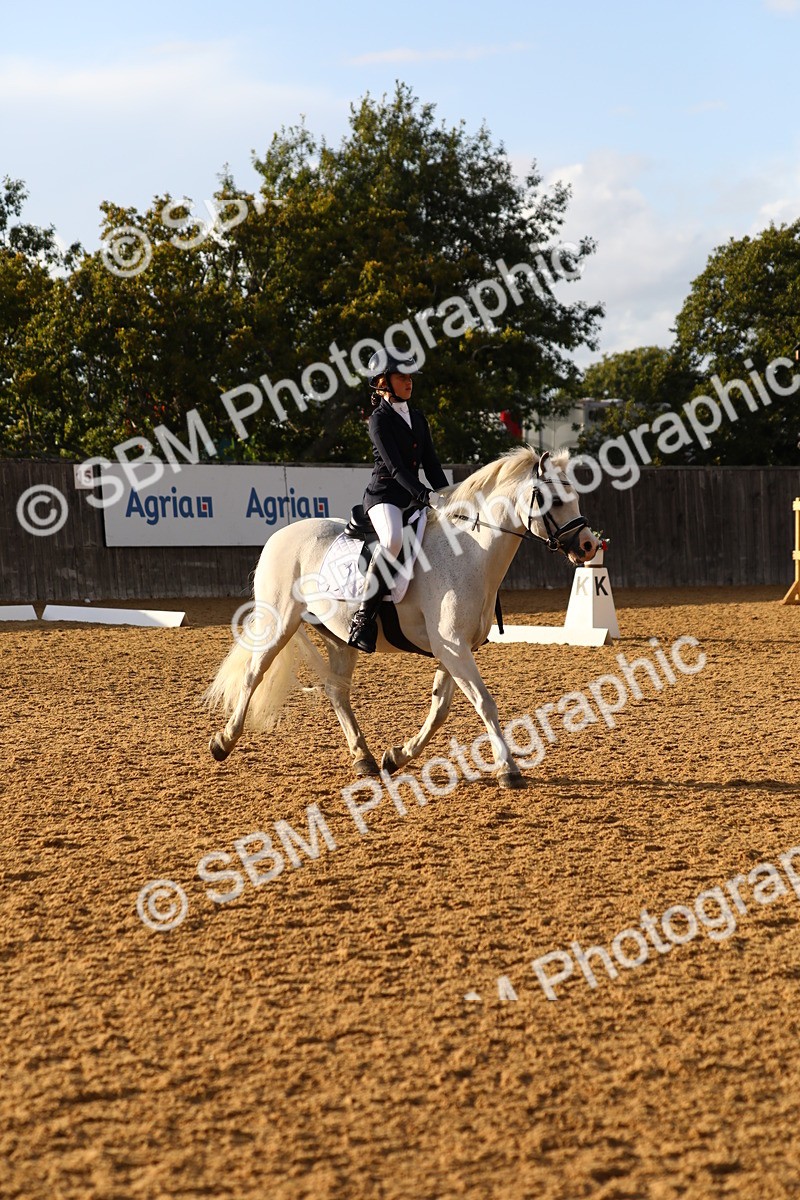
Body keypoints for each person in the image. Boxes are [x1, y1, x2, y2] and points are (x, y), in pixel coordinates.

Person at [347, 347, 449, 653]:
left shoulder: (418, 418)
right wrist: (424, 495)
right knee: (392, 540)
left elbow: (431, 464)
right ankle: (363, 618)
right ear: (383, 382)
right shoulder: (379, 420)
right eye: (401, 376)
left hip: (414, 498)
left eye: (410, 377)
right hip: (385, 496)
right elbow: (395, 468)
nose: (409, 382)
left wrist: (449, 496)